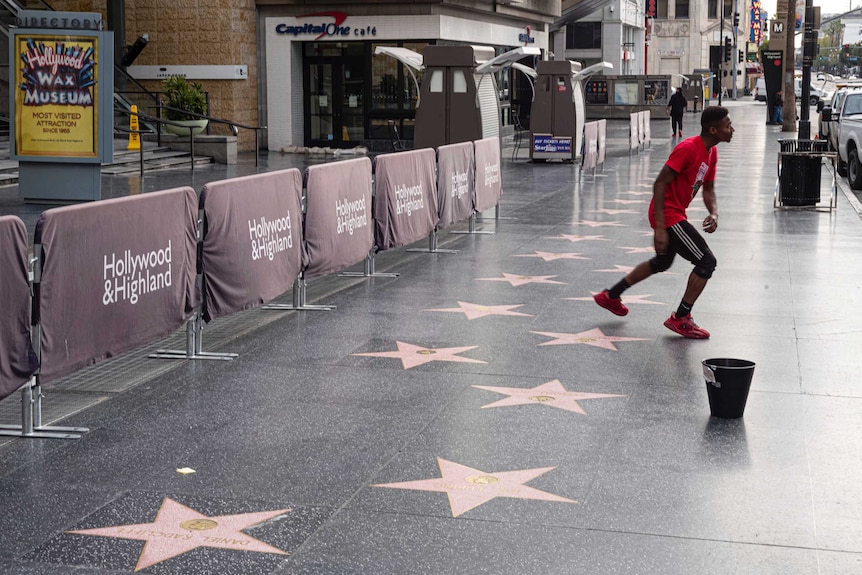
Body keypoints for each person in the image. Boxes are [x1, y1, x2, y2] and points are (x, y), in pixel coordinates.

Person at [593, 106, 734, 339]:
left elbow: (708, 187)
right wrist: (660, 228)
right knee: (706, 261)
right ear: (713, 129)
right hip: (667, 214)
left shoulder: (712, 152)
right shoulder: (688, 148)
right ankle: (681, 318)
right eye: (727, 125)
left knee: (661, 261)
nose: (732, 129)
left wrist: (714, 213)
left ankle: (611, 295)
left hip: (675, 213)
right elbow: (659, 184)